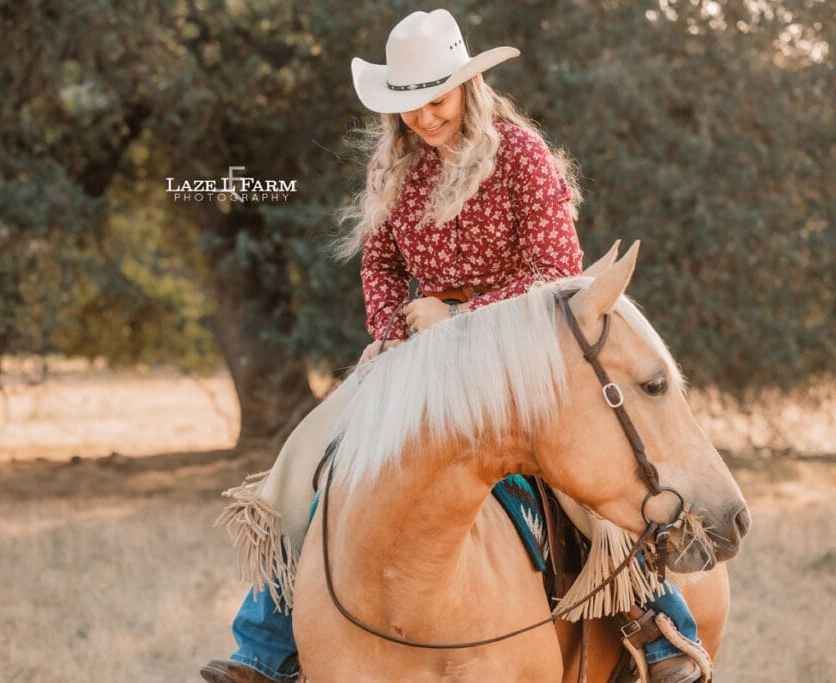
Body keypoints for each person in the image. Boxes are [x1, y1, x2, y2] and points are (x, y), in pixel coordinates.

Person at [202, 9, 702, 683]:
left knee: (580, 467)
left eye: (435, 99)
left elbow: (560, 271)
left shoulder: (520, 153)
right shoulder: (391, 165)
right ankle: (264, 645)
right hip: (422, 348)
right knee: (319, 455)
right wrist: (390, 333)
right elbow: (380, 262)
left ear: (466, 86)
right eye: (408, 104)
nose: (424, 116)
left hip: (519, 351)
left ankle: (660, 623)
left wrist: (461, 318)